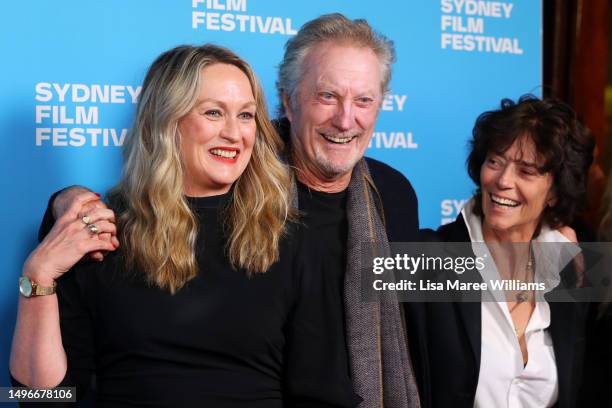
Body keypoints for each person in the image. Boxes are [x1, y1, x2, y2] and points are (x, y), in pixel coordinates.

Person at [31, 14, 422, 407]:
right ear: (287, 101)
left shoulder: (391, 196)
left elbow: (429, 317)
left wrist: (482, 247)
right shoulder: (240, 184)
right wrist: (60, 221)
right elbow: (39, 397)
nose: (345, 118)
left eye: (364, 100)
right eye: (327, 96)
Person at [408, 96, 594, 408]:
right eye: (495, 161)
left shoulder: (570, 268)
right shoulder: (427, 258)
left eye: (526, 171)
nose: (503, 181)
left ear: (555, 192)